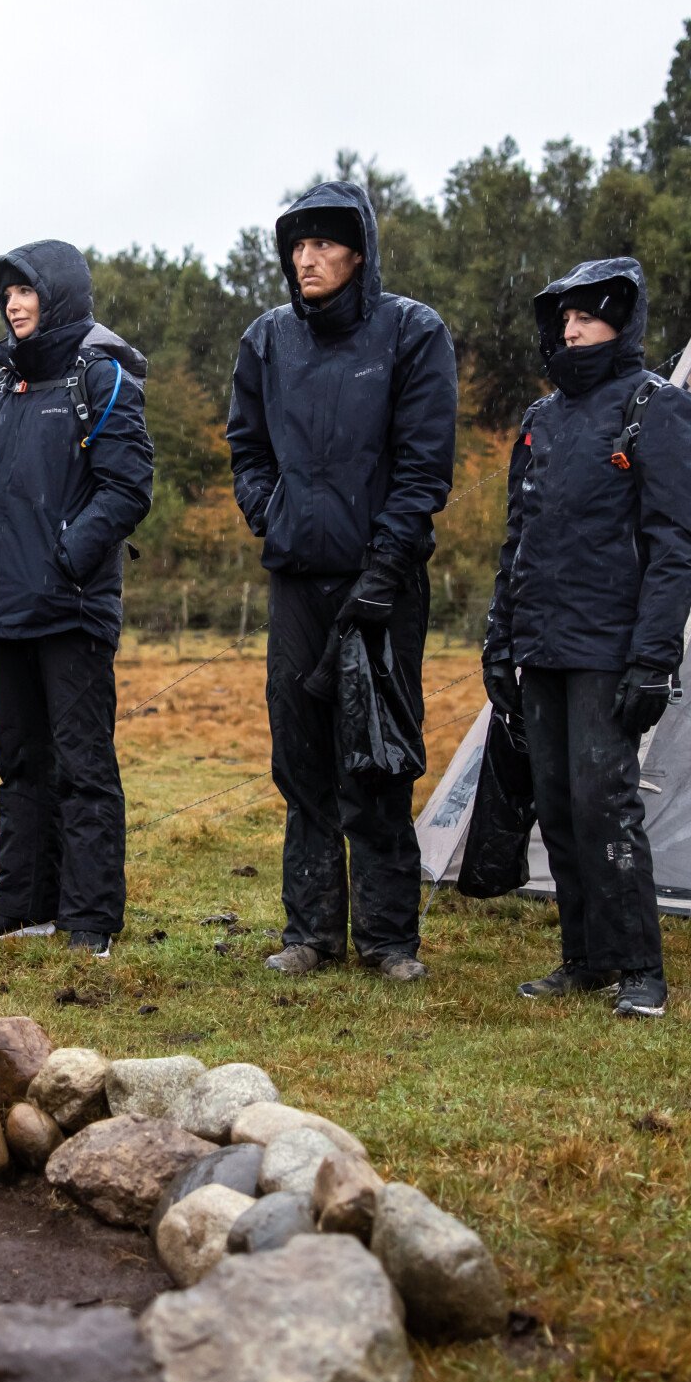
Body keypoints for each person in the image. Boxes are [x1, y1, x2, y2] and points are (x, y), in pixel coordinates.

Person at [226, 178, 458, 983]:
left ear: (359, 252)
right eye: (296, 244)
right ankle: (311, 931)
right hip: (297, 578)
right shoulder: (266, 340)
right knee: (302, 758)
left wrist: (388, 565)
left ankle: (390, 939)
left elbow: (425, 464)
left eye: (324, 243)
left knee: (380, 757)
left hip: (383, 580)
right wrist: (272, 513)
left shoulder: (411, 333)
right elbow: (246, 447)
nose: (306, 257)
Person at [485, 257, 691, 1018]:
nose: (572, 328)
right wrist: (499, 639)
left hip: (610, 648)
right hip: (541, 645)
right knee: (555, 801)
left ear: (621, 320)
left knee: (604, 801)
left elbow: (677, 544)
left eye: (587, 316)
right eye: (564, 318)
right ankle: (582, 957)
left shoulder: (659, 408)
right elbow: (519, 537)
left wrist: (655, 657)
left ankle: (640, 968)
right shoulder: (540, 420)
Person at [0, 240, 154, 958]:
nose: (14, 304)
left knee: (83, 761)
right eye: (7, 294)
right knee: (20, 759)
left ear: (58, 294)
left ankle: (89, 916)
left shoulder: (102, 377)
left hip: (71, 606)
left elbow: (128, 486)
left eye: (27, 292)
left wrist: (68, 556)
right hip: (4, 604)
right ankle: (24, 902)